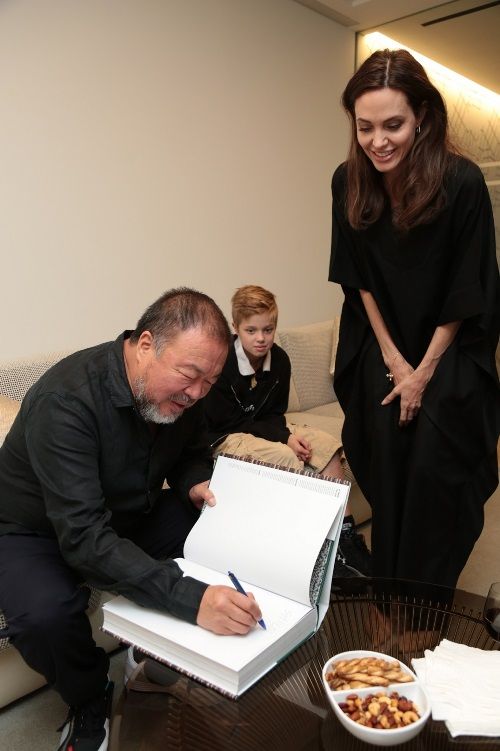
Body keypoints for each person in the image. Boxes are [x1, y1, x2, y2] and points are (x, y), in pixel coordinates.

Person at [0, 288, 264, 751]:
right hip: (34, 531)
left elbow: (193, 451)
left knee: (214, 522)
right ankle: (91, 696)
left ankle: (159, 648)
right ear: (145, 345)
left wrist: (193, 482)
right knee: (44, 618)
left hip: (123, 512)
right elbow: (84, 537)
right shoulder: (66, 401)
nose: (196, 393)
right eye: (189, 376)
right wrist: (191, 599)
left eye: (209, 382)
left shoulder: (187, 392)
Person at [329, 48, 499, 589]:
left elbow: (468, 287)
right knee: (386, 463)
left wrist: (422, 373)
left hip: (449, 344)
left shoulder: (462, 182)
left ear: (422, 116)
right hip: (380, 342)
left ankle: (424, 610)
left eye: (393, 125)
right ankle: (388, 603)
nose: (378, 141)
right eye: (366, 127)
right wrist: (393, 359)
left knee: (434, 469)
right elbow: (357, 279)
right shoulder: (347, 181)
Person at [203, 284, 372, 577]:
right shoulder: (220, 361)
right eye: (251, 330)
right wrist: (285, 439)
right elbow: (227, 423)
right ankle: (309, 552)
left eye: (268, 330)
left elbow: (275, 414)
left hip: (265, 428)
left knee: (327, 447)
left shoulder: (279, 360)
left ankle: (344, 540)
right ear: (235, 327)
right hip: (225, 434)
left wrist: (289, 435)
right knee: (286, 457)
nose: (261, 338)